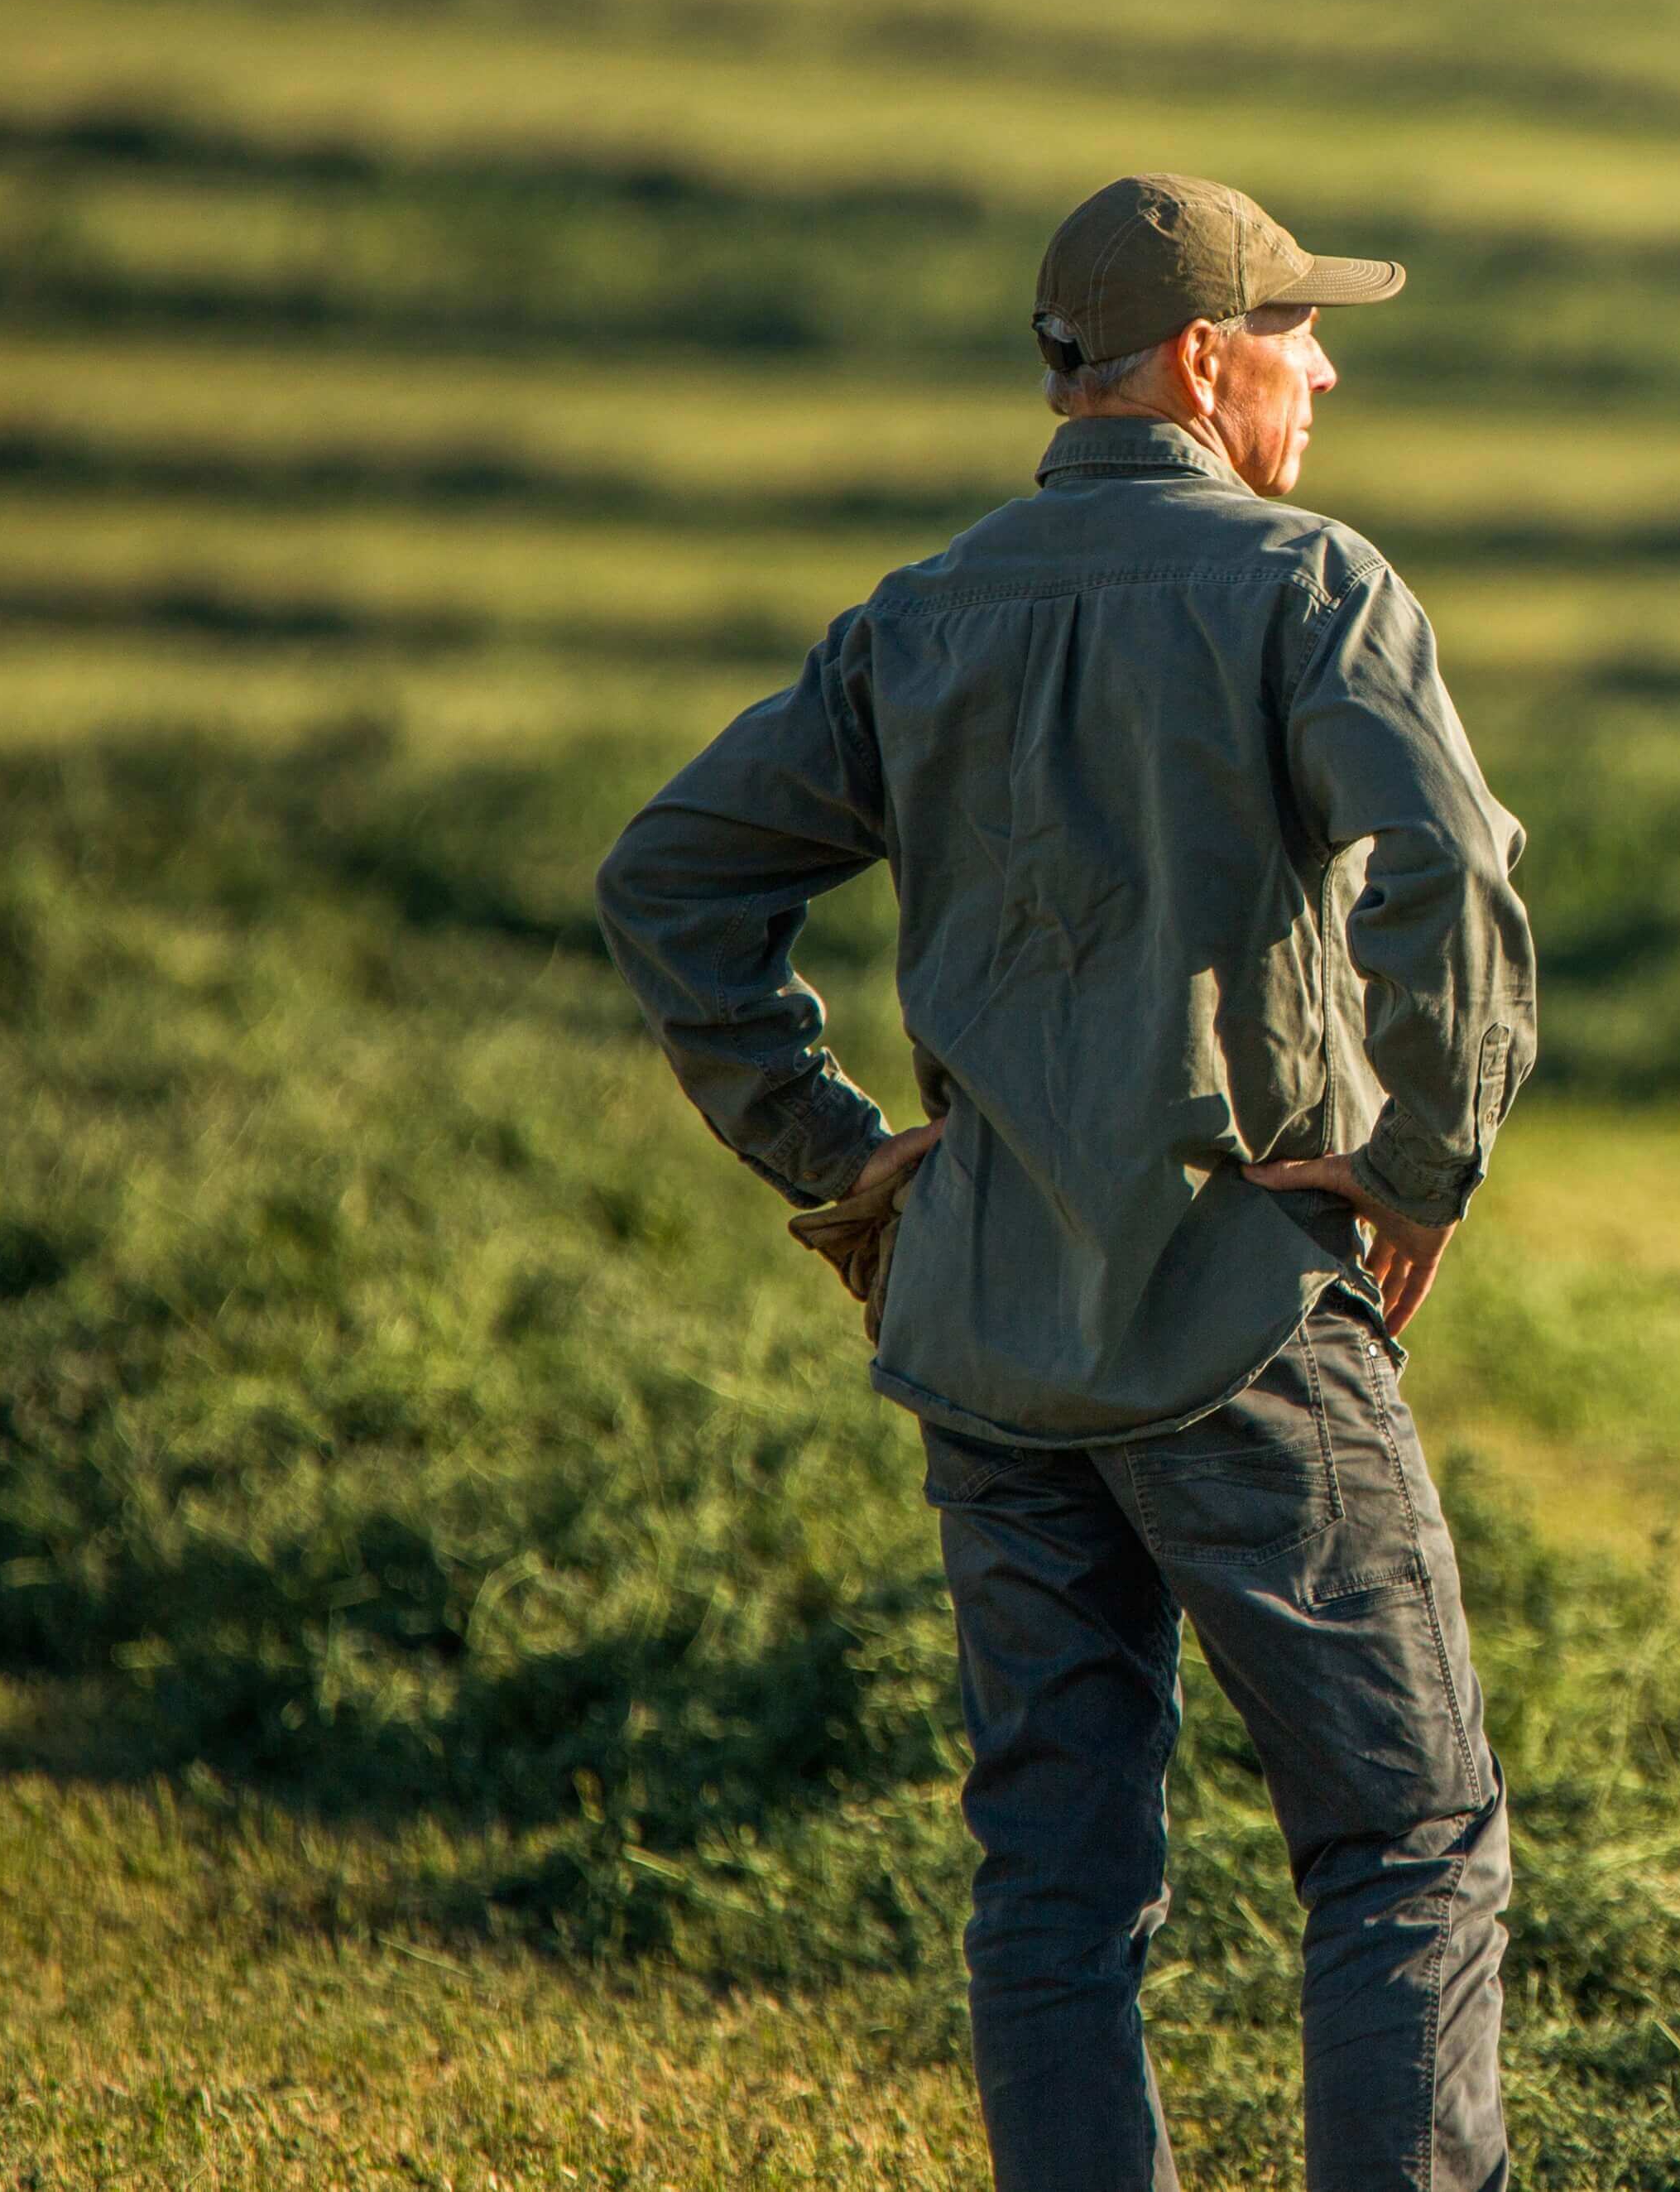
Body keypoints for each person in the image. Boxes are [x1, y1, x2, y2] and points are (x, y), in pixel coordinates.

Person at [594, 172, 1537, 2192]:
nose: (1328, 363)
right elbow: (1453, 875)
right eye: (1297, 329)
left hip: (986, 1336)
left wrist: (843, 1156)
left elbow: (670, 881)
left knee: (1054, 1889)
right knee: (1407, 1841)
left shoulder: (922, 615)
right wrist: (1418, 1162)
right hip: (1242, 1314)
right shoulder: (1311, 588)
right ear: (1205, 358)